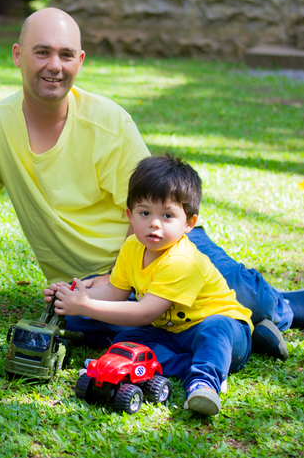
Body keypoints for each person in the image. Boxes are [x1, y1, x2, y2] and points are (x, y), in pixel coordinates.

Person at [0, 7, 304, 358]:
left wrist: (123, 278)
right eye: (41, 52)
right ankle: (236, 329)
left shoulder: (108, 122)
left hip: (161, 249)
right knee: (90, 323)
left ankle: (279, 308)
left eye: (65, 55)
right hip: (97, 283)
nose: (54, 66)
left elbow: (150, 208)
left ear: (80, 61)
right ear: (17, 55)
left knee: (230, 291)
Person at [49, 155, 253, 416]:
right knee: (128, 341)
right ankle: (186, 363)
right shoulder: (132, 247)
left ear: (189, 223)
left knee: (215, 328)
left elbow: (146, 312)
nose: (154, 223)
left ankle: (204, 383)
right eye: (145, 213)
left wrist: (86, 306)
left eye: (167, 215)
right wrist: (76, 295)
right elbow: (115, 291)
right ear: (130, 215)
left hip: (224, 332)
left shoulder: (181, 260)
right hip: (170, 333)